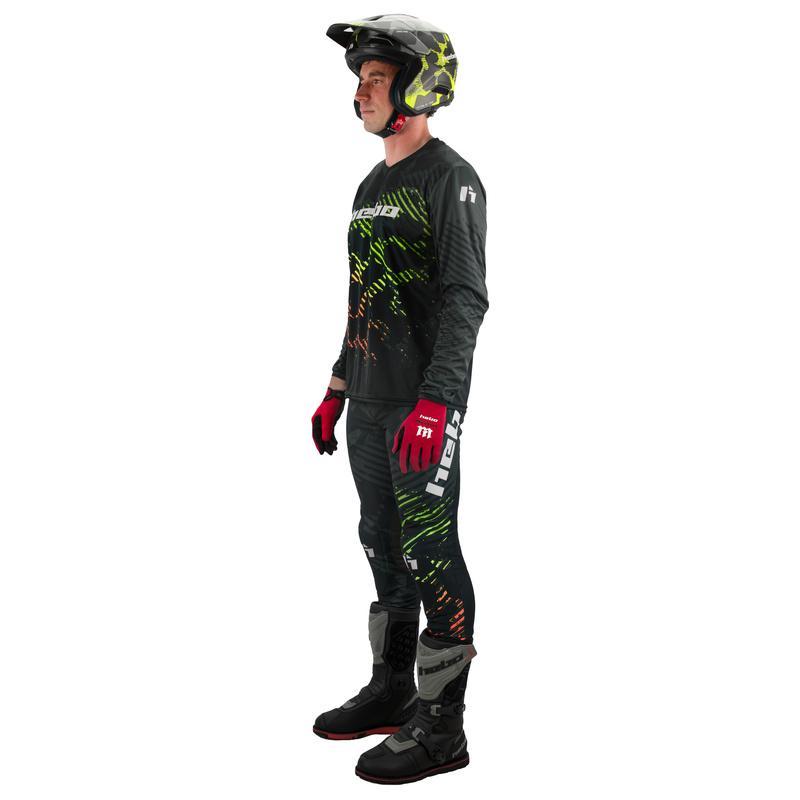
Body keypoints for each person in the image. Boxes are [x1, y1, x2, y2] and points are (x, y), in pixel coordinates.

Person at [310, 13, 489, 785]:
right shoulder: (370, 185)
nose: (361, 93)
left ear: (420, 86)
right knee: (381, 541)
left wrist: (439, 403)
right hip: (371, 400)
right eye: (360, 80)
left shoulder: (450, 178)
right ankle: (392, 690)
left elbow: (465, 298)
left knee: (430, 549)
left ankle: (443, 726)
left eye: (376, 79)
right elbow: (366, 297)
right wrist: (336, 385)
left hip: (422, 408)